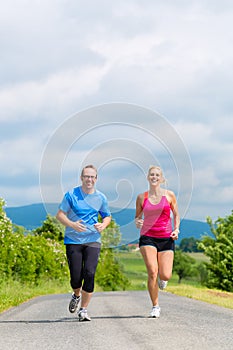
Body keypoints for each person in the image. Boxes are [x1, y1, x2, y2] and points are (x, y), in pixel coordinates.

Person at [56, 164, 111, 322]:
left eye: (92, 177)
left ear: (96, 179)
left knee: (89, 273)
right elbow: (60, 215)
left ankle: (84, 310)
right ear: (81, 178)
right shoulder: (71, 195)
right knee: (75, 277)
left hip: (93, 240)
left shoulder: (101, 198)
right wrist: (72, 224)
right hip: (73, 240)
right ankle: (76, 294)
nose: (89, 179)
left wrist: (103, 224)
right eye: (87, 176)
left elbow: (107, 216)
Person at [135, 165, 180, 318]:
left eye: (157, 175)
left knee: (165, 275)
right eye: (151, 175)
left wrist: (176, 229)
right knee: (152, 272)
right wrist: (137, 222)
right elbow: (137, 217)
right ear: (148, 177)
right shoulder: (142, 197)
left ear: (161, 179)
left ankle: (163, 279)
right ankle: (155, 306)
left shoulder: (169, 195)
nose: (154, 177)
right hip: (147, 237)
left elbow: (176, 214)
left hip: (166, 237)